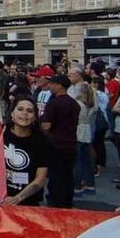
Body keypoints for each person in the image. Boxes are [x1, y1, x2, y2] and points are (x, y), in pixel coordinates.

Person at [1, 95, 54, 206]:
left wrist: (17, 198)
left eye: (29, 111)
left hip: (29, 203)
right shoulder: (0, 136)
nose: (24, 113)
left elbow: (40, 179)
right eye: (20, 109)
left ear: (34, 117)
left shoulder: (42, 142)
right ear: (12, 114)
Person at [40, 74, 79, 208]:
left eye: (52, 83)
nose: (49, 86)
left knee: (56, 177)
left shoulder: (53, 103)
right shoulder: (74, 103)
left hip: (55, 145)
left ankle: (55, 203)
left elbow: (46, 126)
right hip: (71, 144)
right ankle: (67, 202)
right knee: (68, 176)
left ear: (59, 85)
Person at [71, 82, 98, 195]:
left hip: (78, 132)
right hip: (87, 132)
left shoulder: (77, 104)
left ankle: (77, 187)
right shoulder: (92, 105)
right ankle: (90, 185)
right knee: (87, 161)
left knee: (77, 162)